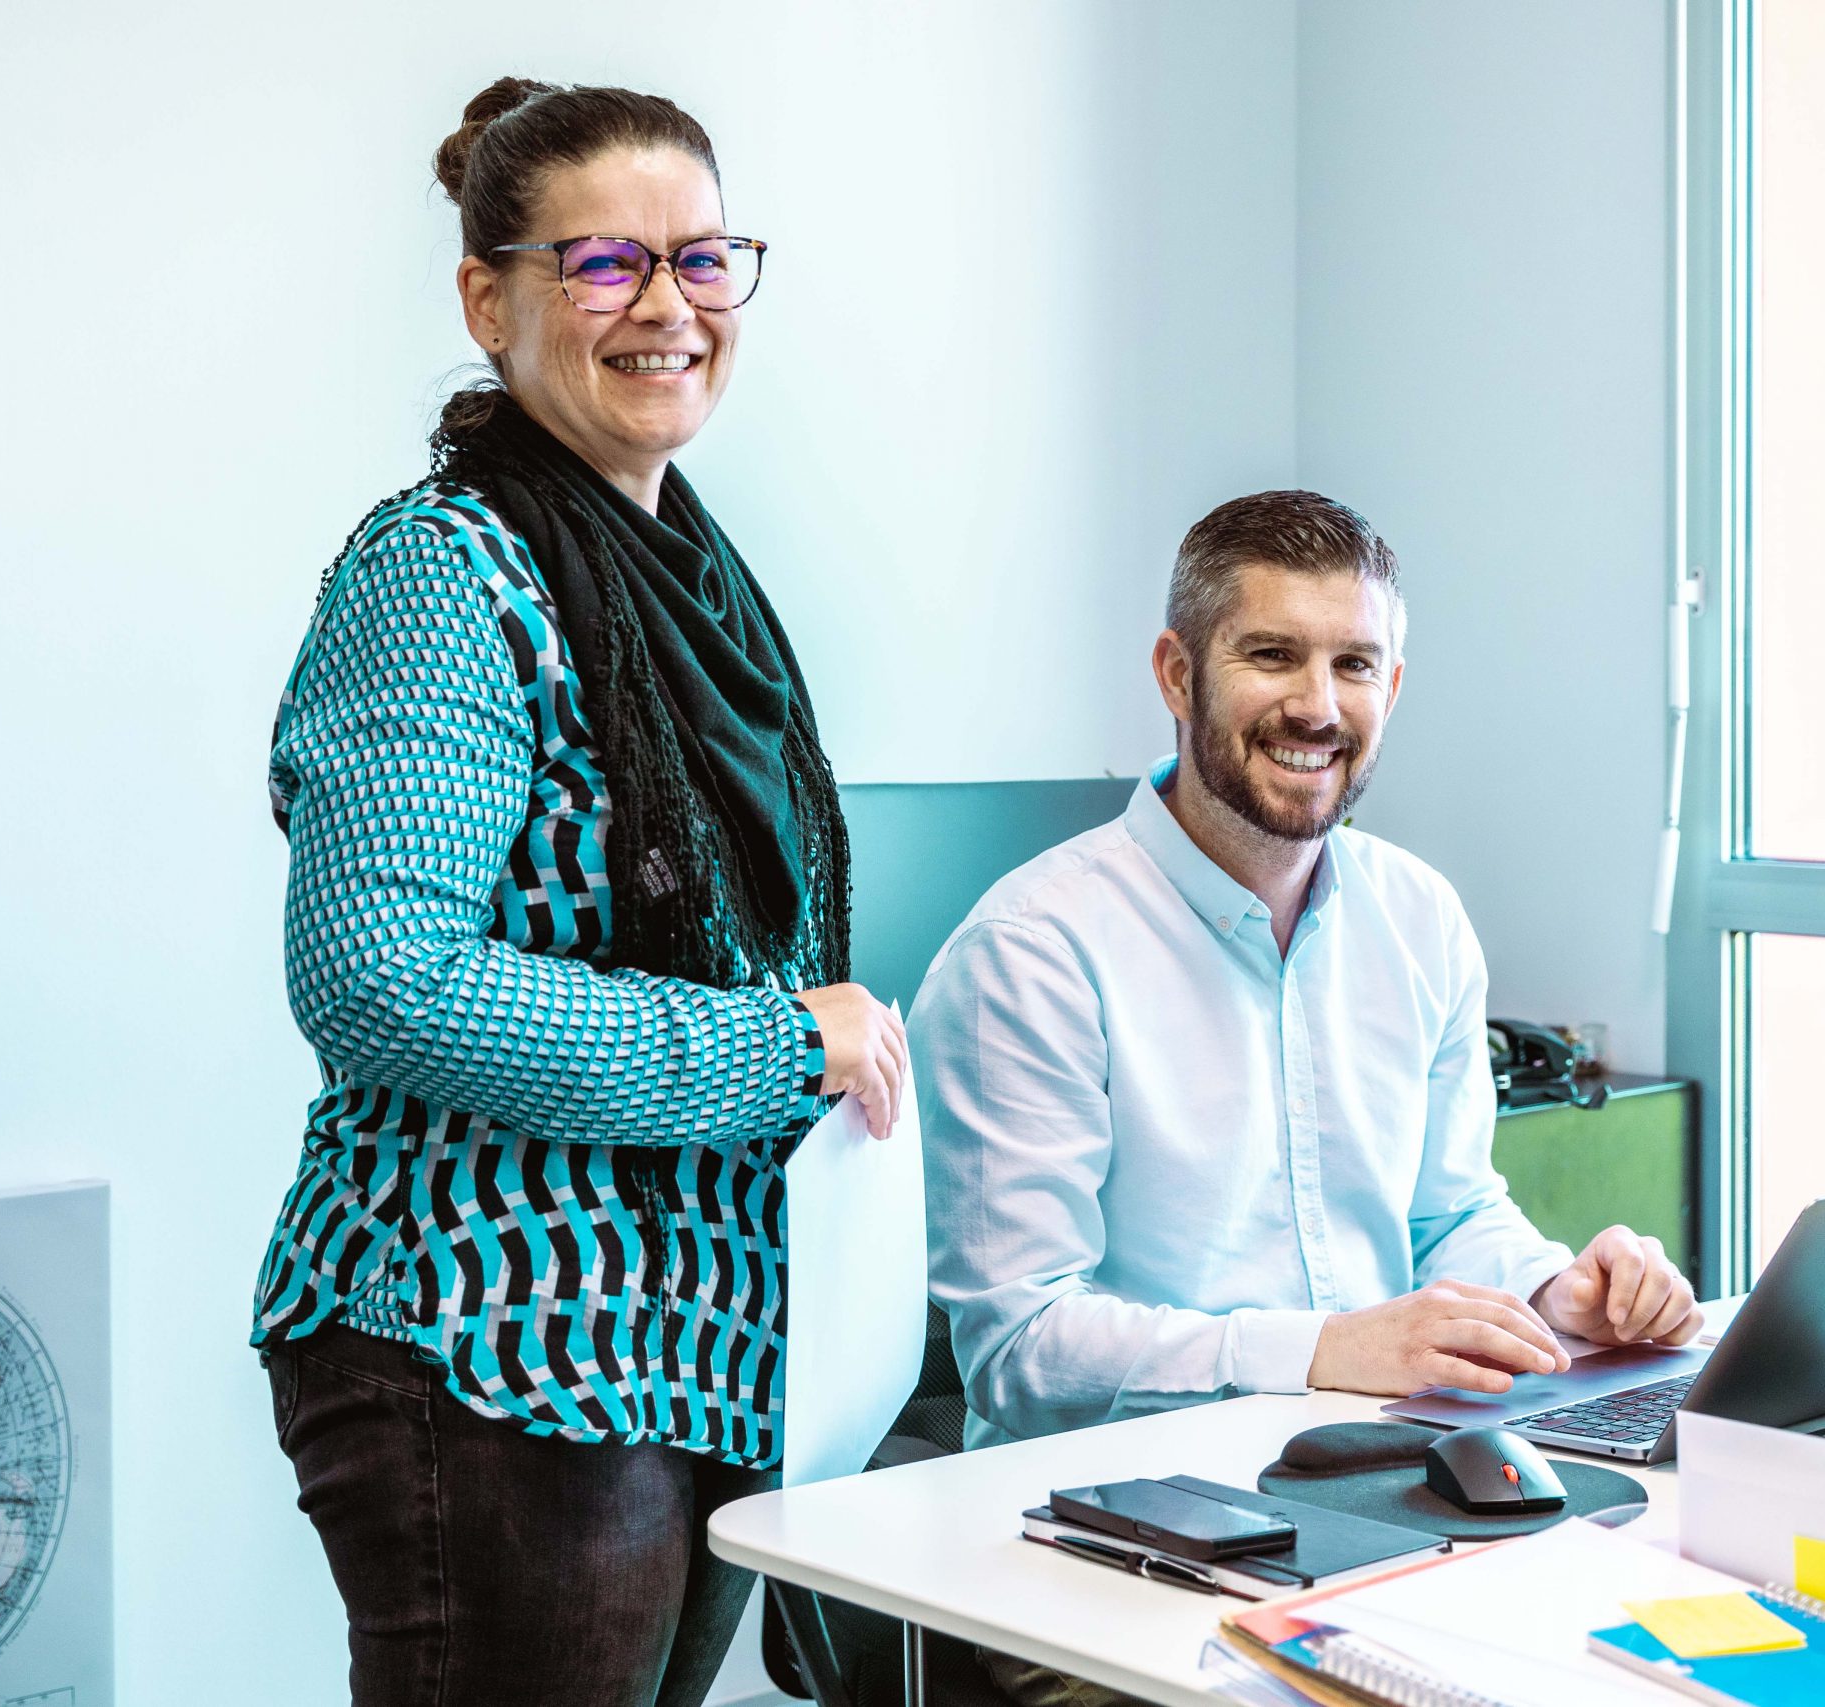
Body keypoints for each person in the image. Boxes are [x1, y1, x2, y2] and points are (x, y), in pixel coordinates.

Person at [253, 79, 907, 1707]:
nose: (668, 306)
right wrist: (776, 1047)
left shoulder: (690, 572)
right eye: (606, 262)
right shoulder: (445, 571)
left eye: (704, 259)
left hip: (683, 1349)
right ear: (490, 298)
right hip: (493, 1338)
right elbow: (385, 978)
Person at [915, 489, 1702, 1461]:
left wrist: (1551, 1293)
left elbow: (1446, 1213)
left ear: (1393, 687)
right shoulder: (1030, 954)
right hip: (1120, 1501)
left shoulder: (1422, 918)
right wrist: (1325, 1351)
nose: (1317, 708)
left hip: (1392, 1464)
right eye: (1272, 655)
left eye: (1353, 665)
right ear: (1176, 673)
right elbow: (1022, 1350)